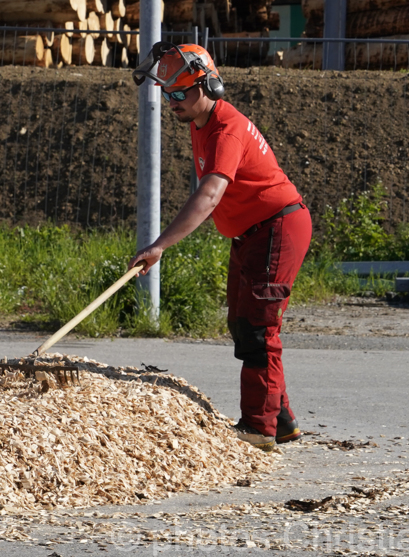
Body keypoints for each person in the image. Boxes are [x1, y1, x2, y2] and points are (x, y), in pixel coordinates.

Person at [129, 42, 312, 452]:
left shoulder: (226, 130)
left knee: (259, 328)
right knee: (243, 324)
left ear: (209, 85)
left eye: (180, 92)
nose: (171, 101)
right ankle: (281, 420)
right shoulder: (201, 122)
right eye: (167, 92)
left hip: (276, 227)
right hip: (251, 233)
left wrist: (160, 245)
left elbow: (210, 195)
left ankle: (259, 429)